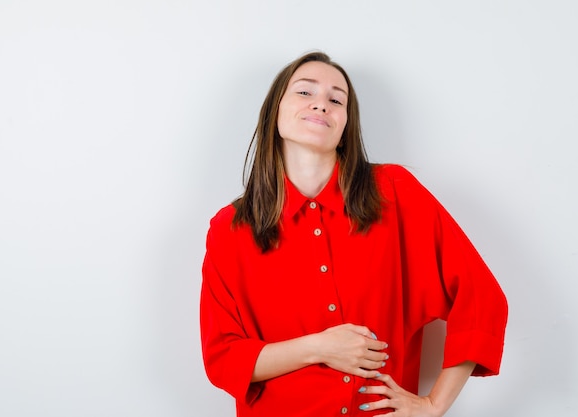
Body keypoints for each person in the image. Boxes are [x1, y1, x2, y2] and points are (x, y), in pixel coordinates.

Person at [200, 51, 508, 417]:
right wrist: (319, 347)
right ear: (274, 113)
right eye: (304, 92)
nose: (321, 104)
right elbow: (224, 358)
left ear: (346, 124)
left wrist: (433, 405)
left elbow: (480, 298)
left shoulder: (395, 194)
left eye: (336, 99)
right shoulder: (231, 228)